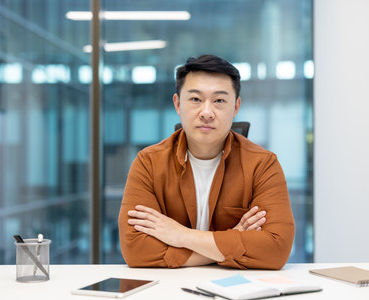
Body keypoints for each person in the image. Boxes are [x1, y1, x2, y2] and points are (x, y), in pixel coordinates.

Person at [118, 55, 294, 269]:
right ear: (177, 104)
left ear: (236, 107)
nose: (207, 112)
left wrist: (181, 235)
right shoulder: (148, 163)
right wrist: (233, 241)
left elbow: (276, 249)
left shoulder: (263, 165)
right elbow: (136, 250)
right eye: (195, 99)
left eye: (219, 101)